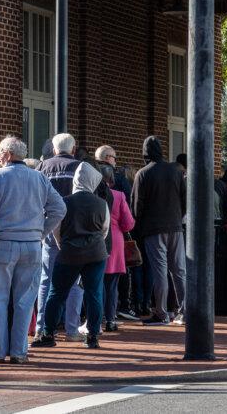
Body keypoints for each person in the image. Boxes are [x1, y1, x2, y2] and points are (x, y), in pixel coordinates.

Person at [0, 136, 66, 364]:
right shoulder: (39, 177)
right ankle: (19, 351)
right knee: (25, 300)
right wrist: (41, 232)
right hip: (31, 244)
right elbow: (59, 208)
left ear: (7, 155)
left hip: (2, 242)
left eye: (0, 154)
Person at [31, 163, 111, 349]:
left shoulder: (65, 202)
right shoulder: (102, 204)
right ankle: (92, 336)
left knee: (57, 292)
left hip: (69, 253)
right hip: (96, 253)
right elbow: (104, 230)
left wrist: (63, 245)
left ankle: (48, 333)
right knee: (94, 294)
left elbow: (56, 231)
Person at [131, 136, 186, 325]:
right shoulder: (176, 170)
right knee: (179, 270)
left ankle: (162, 313)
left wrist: (139, 227)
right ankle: (185, 311)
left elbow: (137, 206)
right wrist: (178, 216)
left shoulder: (143, 174)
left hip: (154, 229)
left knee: (160, 271)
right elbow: (185, 199)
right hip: (176, 227)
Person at [35, 133, 85, 340]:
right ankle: (72, 329)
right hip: (75, 230)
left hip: (49, 227)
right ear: (73, 149)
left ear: (54, 149)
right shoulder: (80, 167)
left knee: (46, 279)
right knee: (74, 281)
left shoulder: (41, 168)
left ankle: (42, 327)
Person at [98, 162, 135, 332]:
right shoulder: (119, 196)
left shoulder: (93, 195)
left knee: (95, 284)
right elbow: (128, 224)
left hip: (97, 241)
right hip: (115, 243)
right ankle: (110, 319)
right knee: (112, 285)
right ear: (112, 179)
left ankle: (97, 318)